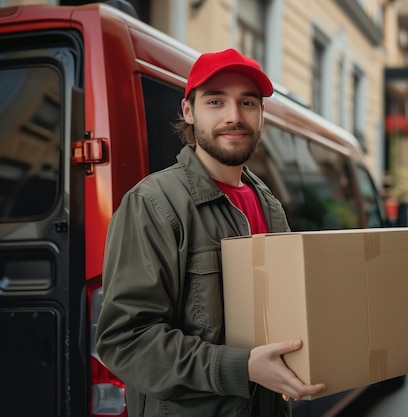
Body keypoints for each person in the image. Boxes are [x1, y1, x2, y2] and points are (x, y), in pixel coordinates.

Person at [96, 48, 326, 417]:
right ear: (189, 111)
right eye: (216, 101)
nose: (234, 117)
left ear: (261, 115)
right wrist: (242, 368)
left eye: (247, 102)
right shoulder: (153, 203)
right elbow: (125, 342)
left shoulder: (269, 204)